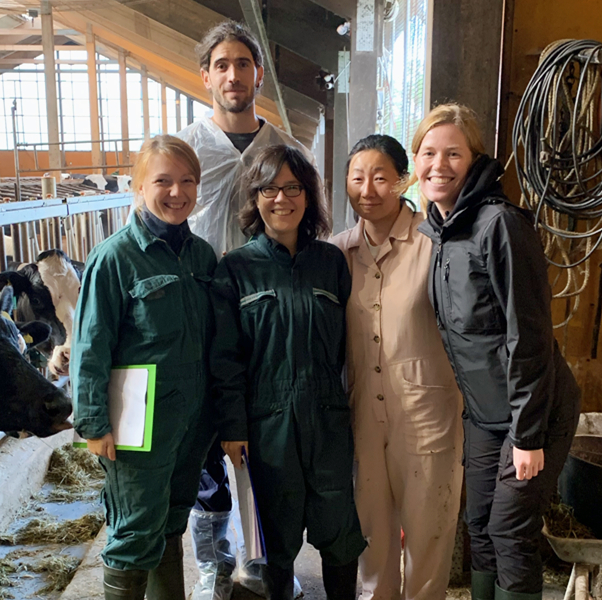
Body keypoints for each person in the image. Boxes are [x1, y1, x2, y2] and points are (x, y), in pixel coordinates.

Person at [411, 104, 581, 600]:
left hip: (532, 413)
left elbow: (527, 338)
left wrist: (527, 436)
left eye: (453, 154)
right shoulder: (442, 231)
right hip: (485, 415)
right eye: (428, 152)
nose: (438, 164)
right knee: (480, 525)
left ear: (474, 160)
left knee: (510, 532)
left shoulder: (499, 225)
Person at [177, 20, 312, 600]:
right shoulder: (186, 148)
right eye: (222, 65)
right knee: (210, 440)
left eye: (244, 64)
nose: (234, 75)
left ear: (260, 73)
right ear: (206, 75)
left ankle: (268, 561)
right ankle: (215, 559)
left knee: (265, 432)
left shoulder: (284, 148)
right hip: (204, 306)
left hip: (266, 309)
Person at [212, 145, 366, 600]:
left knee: (339, 529)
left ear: (308, 194)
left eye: (293, 187)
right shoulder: (235, 269)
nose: (282, 198)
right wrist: (233, 428)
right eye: (269, 188)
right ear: (255, 198)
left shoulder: (331, 262)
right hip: (267, 420)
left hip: (327, 416)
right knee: (276, 540)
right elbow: (225, 359)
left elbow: (346, 345)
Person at [72, 135, 217, 600]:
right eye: (163, 181)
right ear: (138, 187)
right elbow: (90, 346)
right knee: (135, 532)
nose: (177, 192)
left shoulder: (202, 256)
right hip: (137, 423)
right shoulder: (114, 258)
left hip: (191, 420)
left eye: (188, 181)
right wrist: (94, 423)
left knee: (171, 519)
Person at [329, 134, 464, 600]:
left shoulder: (436, 246)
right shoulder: (337, 255)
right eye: (357, 177)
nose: (368, 188)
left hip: (428, 419)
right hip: (363, 416)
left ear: (404, 180)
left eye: (381, 177)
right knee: (372, 542)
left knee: (429, 539)